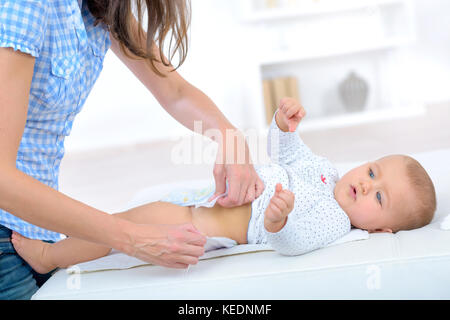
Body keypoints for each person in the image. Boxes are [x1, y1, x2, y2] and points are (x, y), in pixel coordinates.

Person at [0, 0, 264, 299]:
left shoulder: (97, 9)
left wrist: (232, 139)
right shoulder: (26, 5)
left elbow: (174, 91)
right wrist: (132, 237)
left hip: (35, 230)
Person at [11, 96, 437, 274]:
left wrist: (277, 219)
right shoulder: (324, 172)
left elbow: (291, 242)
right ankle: (70, 239)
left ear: (381, 230)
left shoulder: (335, 223)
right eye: (372, 172)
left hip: (204, 228)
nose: (365, 184)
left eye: (379, 197)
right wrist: (283, 127)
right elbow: (286, 154)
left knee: (125, 227)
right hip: (204, 203)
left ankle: (50, 256)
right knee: (126, 218)